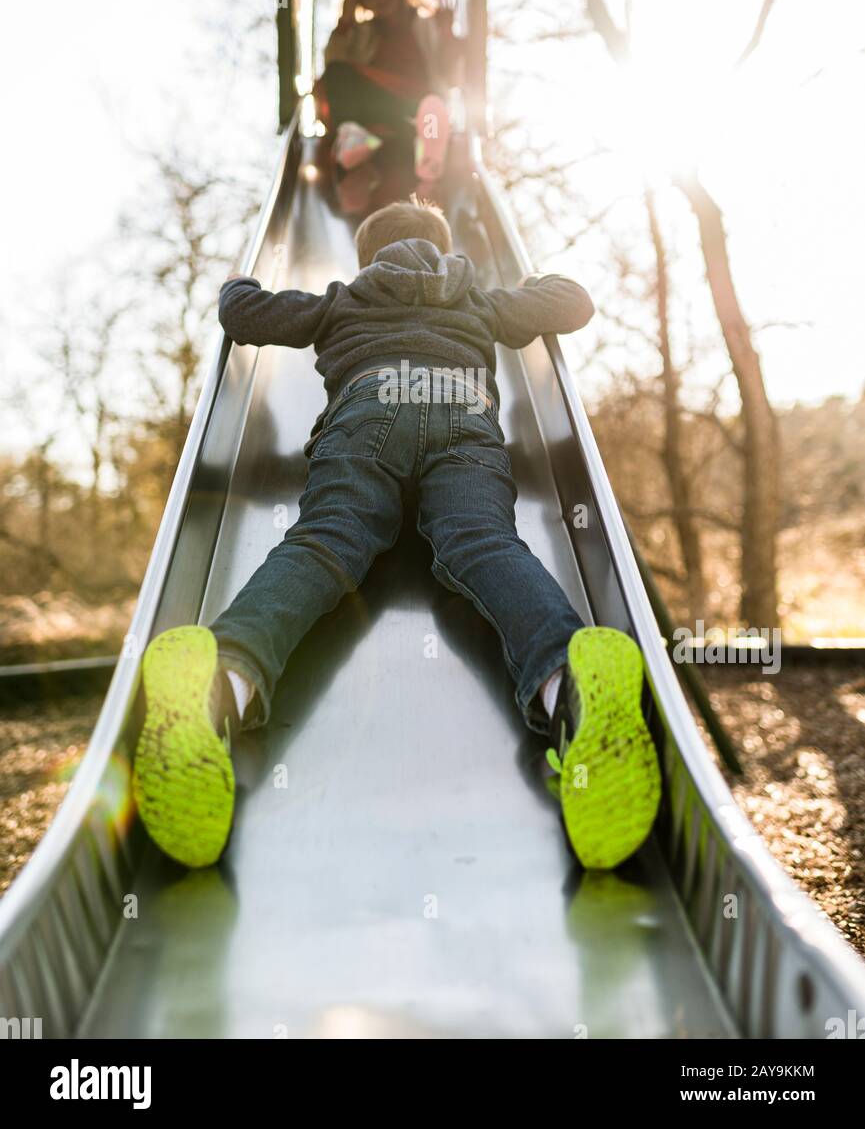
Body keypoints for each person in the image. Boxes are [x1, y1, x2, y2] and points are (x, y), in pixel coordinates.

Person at [132, 199, 661, 872]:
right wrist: (533, 286)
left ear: (367, 256)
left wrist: (237, 281)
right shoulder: (473, 293)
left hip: (369, 407)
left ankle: (217, 688)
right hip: (463, 413)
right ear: (443, 248)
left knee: (326, 543)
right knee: (483, 544)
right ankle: (571, 691)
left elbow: (246, 316)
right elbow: (572, 303)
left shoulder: (345, 296)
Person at [313, 0, 460, 213]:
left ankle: (428, 163)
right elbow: (334, 65)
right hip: (381, 117)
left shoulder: (427, 24)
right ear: (361, 2)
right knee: (336, 73)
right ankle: (358, 144)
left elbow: (453, 77)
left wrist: (447, 32)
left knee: (431, 108)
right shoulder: (363, 33)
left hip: (419, 110)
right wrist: (346, 17)